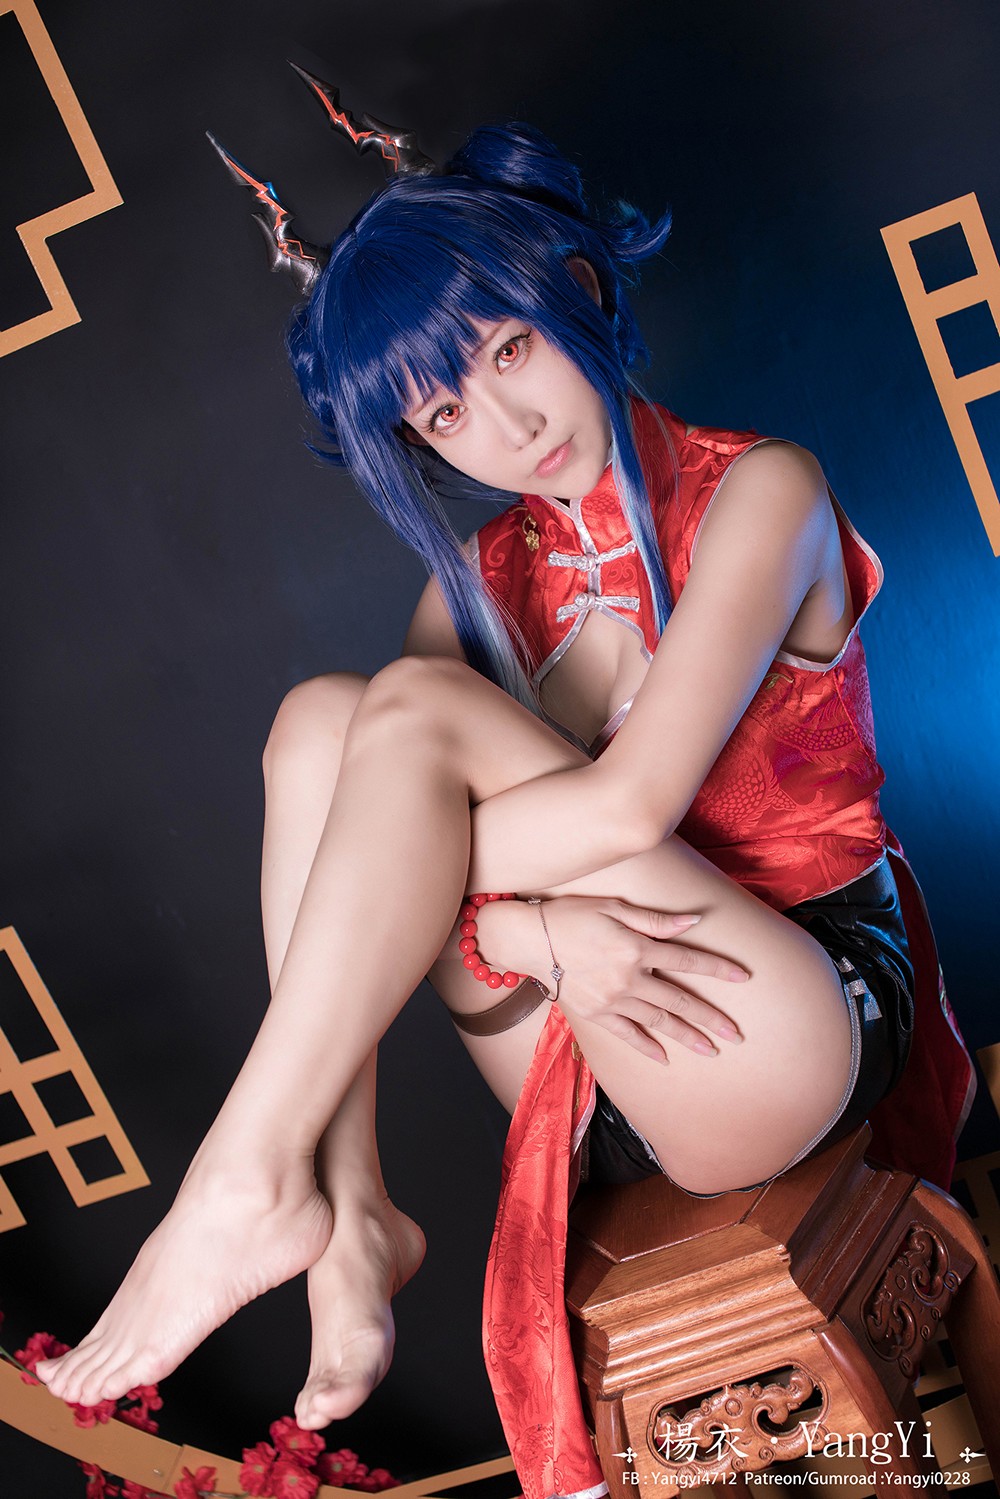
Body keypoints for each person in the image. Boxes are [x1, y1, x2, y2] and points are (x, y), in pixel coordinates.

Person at [37, 113, 971, 1496]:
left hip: (790, 1012)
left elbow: (629, 809)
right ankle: (350, 1212)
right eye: (444, 413)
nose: (507, 426)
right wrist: (536, 934)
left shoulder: (760, 491)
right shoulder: (478, 578)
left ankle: (247, 1180)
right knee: (318, 727)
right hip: (595, 1043)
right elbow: (416, 858)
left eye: (509, 349)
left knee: (399, 736)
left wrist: (480, 901)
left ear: (574, 290)